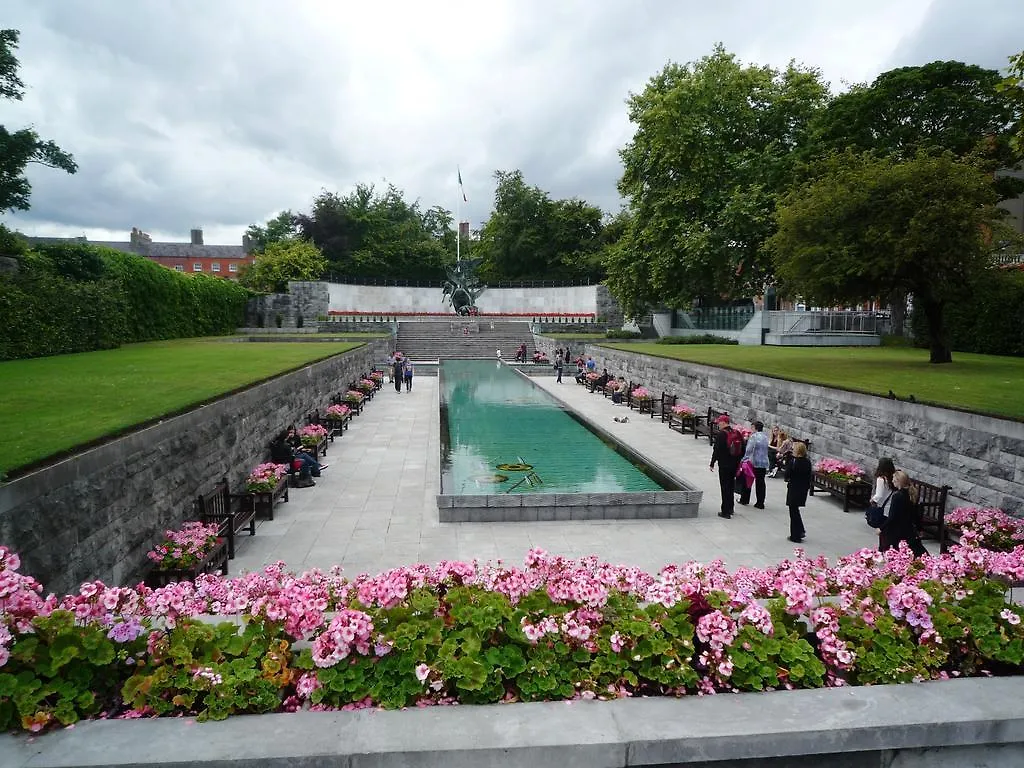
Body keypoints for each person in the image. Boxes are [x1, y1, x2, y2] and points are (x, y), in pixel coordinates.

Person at [880, 470, 928, 557]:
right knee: (914, 550)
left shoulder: (897, 496)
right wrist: (920, 528)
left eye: (894, 479)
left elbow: (892, 516)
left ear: (898, 481)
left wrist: (881, 528)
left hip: (897, 530)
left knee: (897, 550)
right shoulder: (911, 494)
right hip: (909, 529)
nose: (892, 481)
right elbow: (915, 514)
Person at [709, 416, 740, 518]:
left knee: (725, 487)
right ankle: (730, 508)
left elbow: (716, 450)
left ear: (723, 422)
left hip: (724, 465)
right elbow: (742, 447)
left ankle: (725, 511)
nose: (718, 424)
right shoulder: (736, 432)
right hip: (734, 464)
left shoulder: (722, 434)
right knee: (731, 485)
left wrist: (712, 463)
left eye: (719, 422)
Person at [784, 441, 811, 542]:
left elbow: (787, 475)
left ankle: (795, 535)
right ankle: (800, 530)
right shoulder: (807, 462)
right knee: (796, 510)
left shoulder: (794, 462)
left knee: (793, 512)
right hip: (803, 489)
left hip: (794, 488)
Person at [739, 421, 770, 508]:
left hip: (753, 462)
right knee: (760, 482)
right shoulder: (765, 436)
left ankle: (744, 499)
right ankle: (760, 502)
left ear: (755, 427)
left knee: (747, 480)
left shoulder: (754, 437)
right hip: (763, 462)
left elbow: (749, 450)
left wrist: (744, 459)